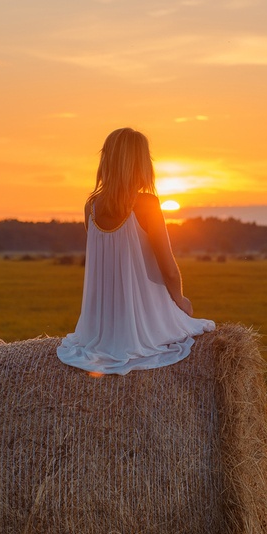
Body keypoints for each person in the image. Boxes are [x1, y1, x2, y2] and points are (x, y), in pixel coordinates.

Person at [57, 128, 215, 374]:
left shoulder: (91, 207)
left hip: (100, 327)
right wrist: (180, 301)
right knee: (197, 323)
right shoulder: (147, 204)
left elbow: (110, 265)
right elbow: (168, 270)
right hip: (140, 326)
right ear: (141, 163)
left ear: (106, 160)